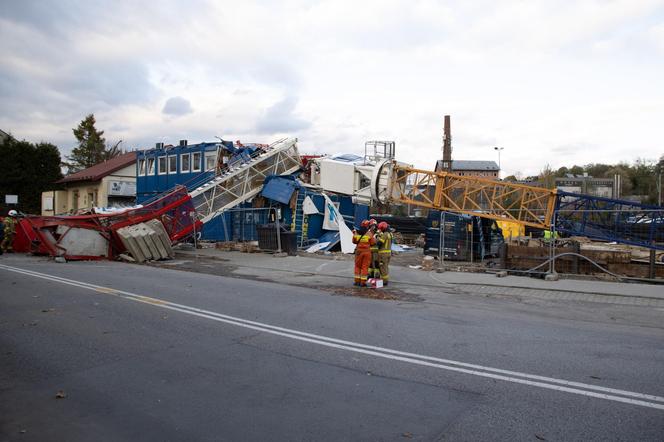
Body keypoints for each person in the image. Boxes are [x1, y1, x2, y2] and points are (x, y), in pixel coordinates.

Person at [352, 219, 376, 287]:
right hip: (367, 252)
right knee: (365, 267)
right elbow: (373, 243)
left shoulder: (356, 232)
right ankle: (363, 282)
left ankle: (357, 282)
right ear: (368, 226)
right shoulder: (369, 234)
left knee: (357, 266)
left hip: (358, 252)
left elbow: (354, 241)